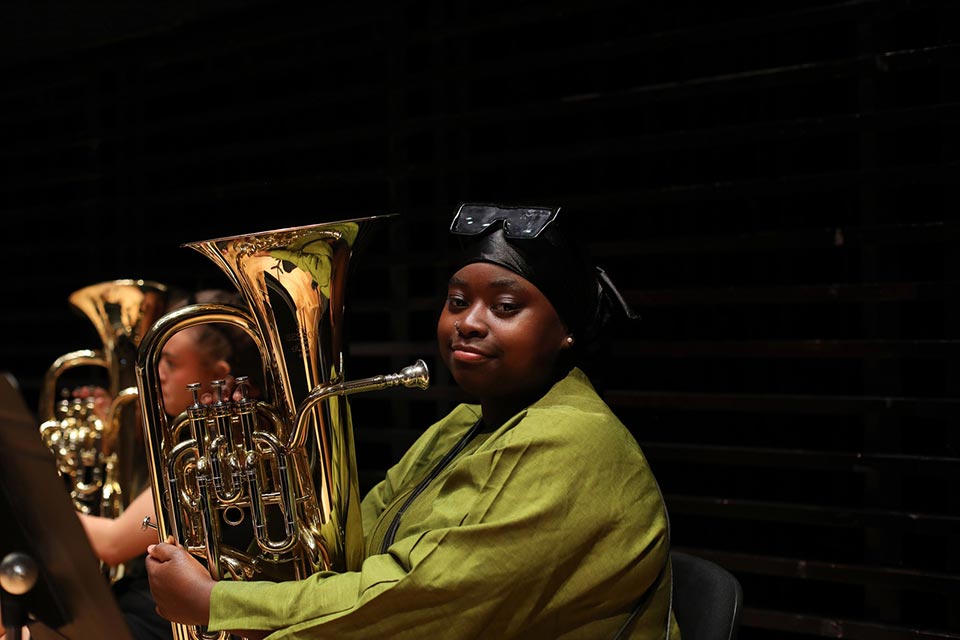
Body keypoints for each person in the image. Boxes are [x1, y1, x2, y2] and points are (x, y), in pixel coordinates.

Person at [145, 204, 680, 639]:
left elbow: (418, 597)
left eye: (505, 307)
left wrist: (220, 603)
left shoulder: (573, 440)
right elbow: (357, 552)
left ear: (566, 331)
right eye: (458, 301)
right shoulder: (464, 425)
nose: (469, 323)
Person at [75, 288, 260, 640]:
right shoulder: (199, 442)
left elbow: (112, 544)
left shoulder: (217, 457)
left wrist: (34, 494)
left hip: (165, 624)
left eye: (171, 363)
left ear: (219, 375)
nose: (155, 373)